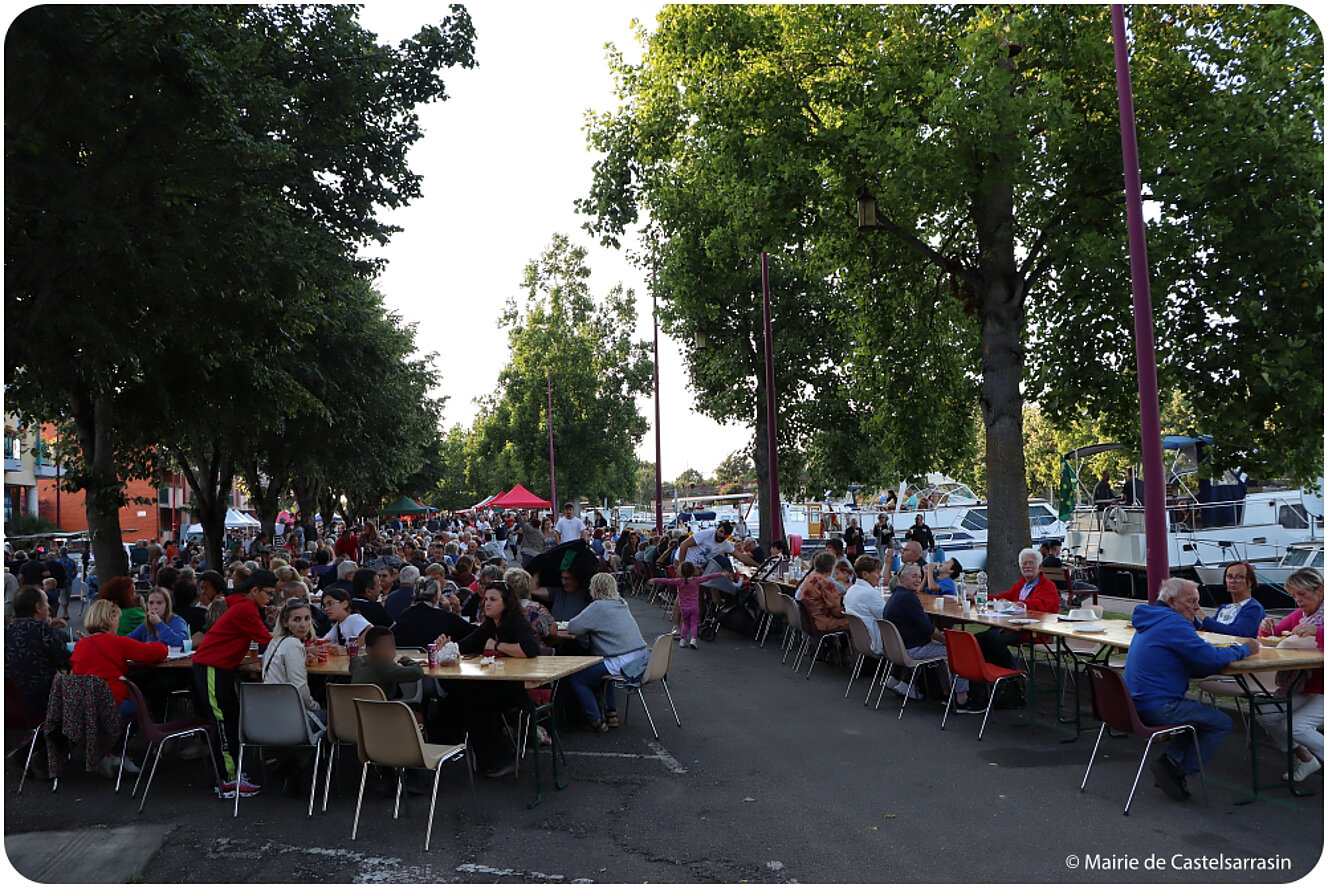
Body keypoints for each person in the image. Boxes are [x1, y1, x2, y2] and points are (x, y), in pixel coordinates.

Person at [1125, 577, 1259, 801]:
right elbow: (1208, 657)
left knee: (1197, 717)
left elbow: (1194, 660)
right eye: (1191, 601)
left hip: (1133, 703)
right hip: (1157, 706)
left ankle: (1171, 763)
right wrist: (1245, 649)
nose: (1197, 607)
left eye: (1198, 601)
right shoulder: (1173, 623)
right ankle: (1177, 769)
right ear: (1171, 601)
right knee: (1221, 723)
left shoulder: (1152, 619)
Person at [435, 581, 540, 777]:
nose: (487, 604)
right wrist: (447, 647)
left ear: (506, 603)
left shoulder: (517, 623)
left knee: (472, 702)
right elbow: (465, 645)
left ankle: (497, 760)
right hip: (490, 684)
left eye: (493, 600)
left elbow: (530, 649)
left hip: (512, 687)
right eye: (485, 600)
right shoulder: (488, 626)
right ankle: (447, 752)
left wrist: (498, 645)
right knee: (456, 698)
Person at [191, 572, 274, 798]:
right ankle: (228, 780)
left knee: (229, 719)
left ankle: (233, 772)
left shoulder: (240, 605)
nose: (270, 599)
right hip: (212, 668)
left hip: (219, 668)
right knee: (222, 723)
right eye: (268, 594)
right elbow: (269, 641)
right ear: (254, 590)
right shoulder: (245, 609)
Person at [71, 599, 168, 778]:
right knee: (143, 705)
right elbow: (158, 652)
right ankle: (115, 752)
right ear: (112, 617)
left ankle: (109, 752)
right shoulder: (117, 642)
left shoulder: (80, 645)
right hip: (112, 702)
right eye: (117, 619)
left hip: (84, 704)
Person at [1255, 567, 1324, 784]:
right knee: (1264, 714)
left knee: (1295, 727)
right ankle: (1305, 759)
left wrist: (1319, 632)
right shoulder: (1300, 616)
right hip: (1306, 687)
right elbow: (1274, 636)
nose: (1298, 600)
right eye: (1294, 595)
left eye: (1302, 594)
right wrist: (1266, 628)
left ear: (1320, 591)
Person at [881, 564, 975, 708]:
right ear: (901, 578)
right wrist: (947, 641)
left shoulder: (897, 597)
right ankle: (961, 699)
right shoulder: (908, 599)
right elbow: (929, 630)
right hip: (913, 650)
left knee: (946, 648)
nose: (918, 580)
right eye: (914, 576)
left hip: (898, 649)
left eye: (919, 576)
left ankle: (946, 693)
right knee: (960, 650)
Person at [565, 573, 649, 731]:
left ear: (594, 590)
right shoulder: (621, 602)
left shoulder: (598, 606)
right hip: (639, 657)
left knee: (577, 679)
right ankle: (611, 714)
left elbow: (573, 627)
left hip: (622, 662)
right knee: (604, 675)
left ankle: (595, 719)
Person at [973, 549, 1061, 693]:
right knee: (980, 640)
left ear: (1039, 567)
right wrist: (983, 598)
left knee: (991, 639)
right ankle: (994, 680)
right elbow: (1005, 597)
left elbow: (1041, 605)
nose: (1027, 566)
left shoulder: (1048, 586)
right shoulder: (1022, 584)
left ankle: (1013, 676)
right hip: (1013, 627)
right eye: (1023, 563)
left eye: (1031, 563)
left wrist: (1018, 604)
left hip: (1034, 632)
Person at [5, 586, 71, 724]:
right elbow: (66, 661)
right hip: (40, 705)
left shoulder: (6, 630)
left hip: (9, 705)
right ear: (38, 607)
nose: (49, 607)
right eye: (46, 603)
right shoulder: (41, 629)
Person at [648, 562, 723, 649]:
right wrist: (721, 574)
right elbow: (709, 576)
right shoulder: (696, 581)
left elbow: (666, 580)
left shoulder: (679, 582)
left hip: (684, 607)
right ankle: (693, 640)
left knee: (685, 623)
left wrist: (654, 580)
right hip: (695, 606)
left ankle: (683, 640)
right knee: (694, 624)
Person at [392, 578, 472, 649]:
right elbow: (473, 634)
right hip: (435, 662)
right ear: (437, 597)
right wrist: (457, 611)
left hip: (406, 662)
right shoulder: (446, 618)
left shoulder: (404, 615)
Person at [1193, 561, 1265, 637]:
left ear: (1250, 582)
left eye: (1239, 577)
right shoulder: (1224, 608)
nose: (1233, 581)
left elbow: (1239, 633)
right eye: (1229, 577)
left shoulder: (1254, 608)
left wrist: (1204, 618)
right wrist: (1192, 616)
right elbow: (1207, 628)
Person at [350, 626, 425, 699]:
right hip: (380, 710)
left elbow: (353, 662)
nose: (389, 652)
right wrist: (407, 661)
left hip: (357, 709)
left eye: (391, 646)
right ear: (368, 650)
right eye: (383, 647)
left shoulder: (358, 662)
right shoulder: (384, 667)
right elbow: (418, 672)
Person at [843, 555, 888, 655]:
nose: (880, 576)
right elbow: (887, 618)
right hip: (877, 642)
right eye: (877, 572)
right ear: (865, 574)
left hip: (862, 641)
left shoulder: (851, 591)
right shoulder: (870, 593)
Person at [799, 551, 849, 635]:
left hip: (811, 620)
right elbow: (836, 611)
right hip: (822, 622)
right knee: (858, 623)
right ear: (831, 569)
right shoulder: (825, 583)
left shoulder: (809, 578)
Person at [320, 588, 371, 653]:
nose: (326, 608)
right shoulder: (337, 626)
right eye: (324, 606)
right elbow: (323, 641)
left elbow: (369, 630)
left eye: (330, 603)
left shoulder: (354, 618)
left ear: (345, 604)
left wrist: (347, 650)